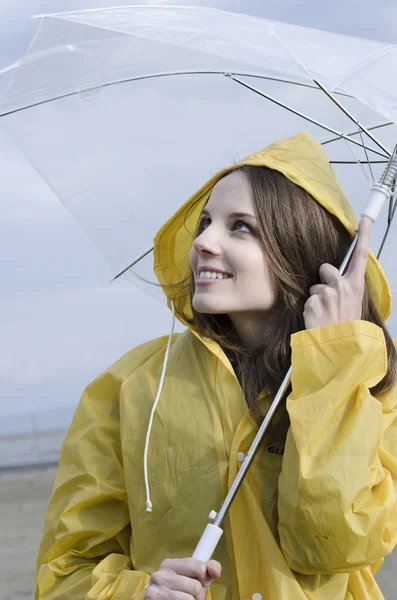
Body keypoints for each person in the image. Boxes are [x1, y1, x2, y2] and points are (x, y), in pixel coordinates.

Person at [35, 133, 397, 600]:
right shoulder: (129, 385)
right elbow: (64, 569)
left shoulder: (370, 379)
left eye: (240, 226)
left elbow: (333, 545)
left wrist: (334, 361)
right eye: (205, 222)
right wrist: (139, 592)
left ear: (300, 246)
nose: (203, 241)